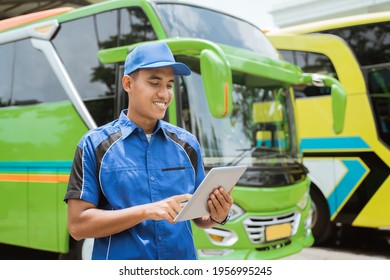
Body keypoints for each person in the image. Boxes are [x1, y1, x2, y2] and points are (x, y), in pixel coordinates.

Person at [64, 41, 233, 260]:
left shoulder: (187, 144)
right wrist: (147, 211)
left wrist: (218, 214)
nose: (164, 94)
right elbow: (77, 226)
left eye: (170, 85)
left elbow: (201, 218)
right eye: (155, 83)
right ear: (128, 83)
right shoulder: (94, 145)